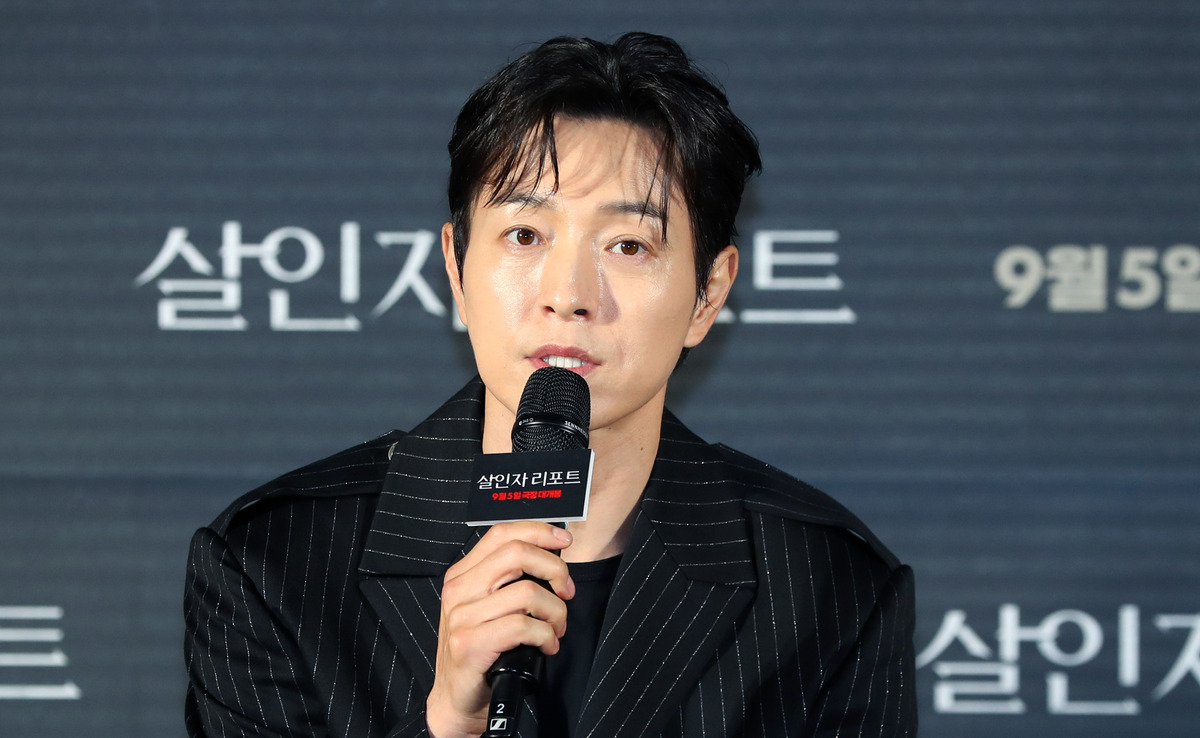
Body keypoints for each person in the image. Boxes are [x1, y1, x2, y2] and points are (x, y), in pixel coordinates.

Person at [184, 32, 916, 738]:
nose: (568, 296)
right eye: (526, 236)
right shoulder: (274, 565)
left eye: (628, 245)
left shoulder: (828, 586)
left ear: (709, 294)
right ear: (456, 270)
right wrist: (445, 725)